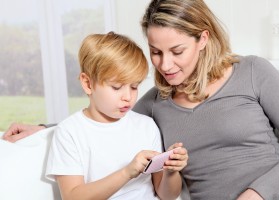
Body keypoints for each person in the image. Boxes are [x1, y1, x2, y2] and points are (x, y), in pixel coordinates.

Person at [3, 0, 279, 199]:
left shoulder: (252, 71)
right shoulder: (157, 102)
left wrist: (256, 194)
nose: (165, 65)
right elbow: (104, 114)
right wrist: (44, 129)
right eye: (156, 52)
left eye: (177, 51)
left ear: (203, 39)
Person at [45, 32, 188, 200]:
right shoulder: (70, 132)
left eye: (134, 87)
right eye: (116, 87)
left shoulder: (146, 126)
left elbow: (167, 196)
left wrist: (170, 171)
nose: (128, 96)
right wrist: (127, 172)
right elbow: (72, 197)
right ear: (88, 83)